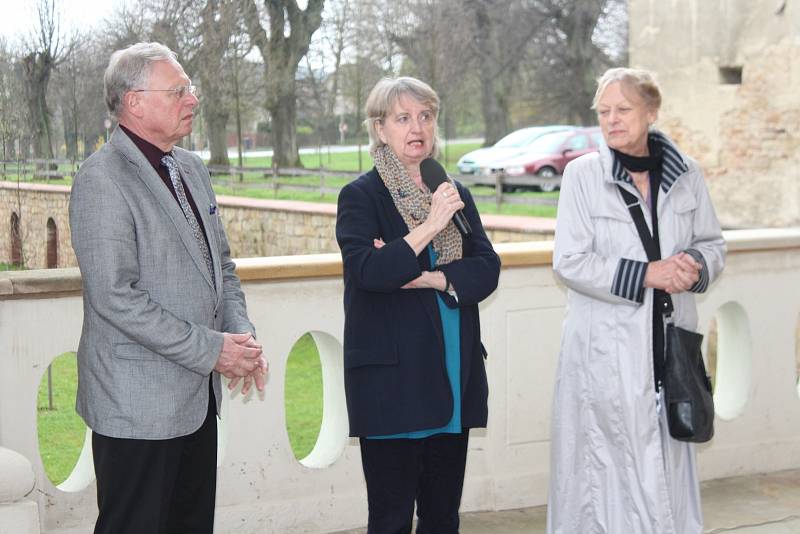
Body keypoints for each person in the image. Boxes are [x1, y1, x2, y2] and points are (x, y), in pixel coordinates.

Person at [69, 42, 267, 534]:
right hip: (136, 407)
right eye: (178, 90)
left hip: (196, 404)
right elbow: (117, 297)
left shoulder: (191, 168)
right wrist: (214, 350)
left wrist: (239, 338)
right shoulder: (101, 180)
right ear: (134, 101)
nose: (192, 100)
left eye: (190, 89)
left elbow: (221, 266)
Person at [547, 67, 726, 533]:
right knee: (604, 472)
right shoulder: (582, 177)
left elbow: (712, 244)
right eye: (603, 111)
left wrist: (693, 265)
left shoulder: (687, 176)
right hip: (605, 354)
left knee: (666, 465)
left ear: (651, 111)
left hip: (670, 352)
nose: (612, 120)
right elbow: (569, 262)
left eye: (623, 109)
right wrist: (649, 274)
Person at [335, 77, 500, 533]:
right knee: (390, 520)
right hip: (394, 386)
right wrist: (430, 226)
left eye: (425, 116)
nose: (417, 128)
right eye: (403, 118)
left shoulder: (453, 192)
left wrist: (431, 276)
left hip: (453, 376)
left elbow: (487, 268)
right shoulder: (360, 196)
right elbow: (370, 273)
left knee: (442, 517)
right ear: (380, 128)